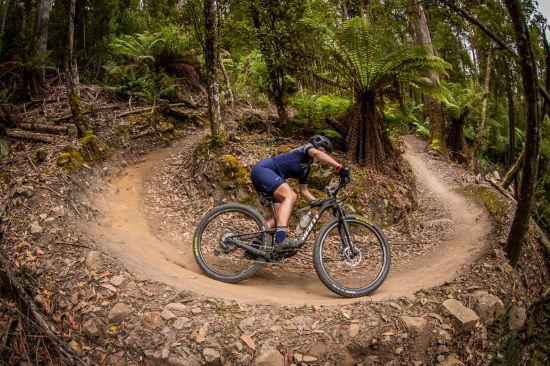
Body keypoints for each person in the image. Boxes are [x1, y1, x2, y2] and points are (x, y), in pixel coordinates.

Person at [250, 135, 350, 252]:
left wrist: (317, 202)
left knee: (279, 218)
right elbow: (317, 154)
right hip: (263, 170)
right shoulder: (306, 149)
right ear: (322, 149)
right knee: (290, 196)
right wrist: (339, 167)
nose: (325, 157)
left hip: (266, 178)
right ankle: (281, 240)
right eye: (326, 153)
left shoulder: (306, 168)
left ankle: (253, 248)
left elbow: (304, 191)